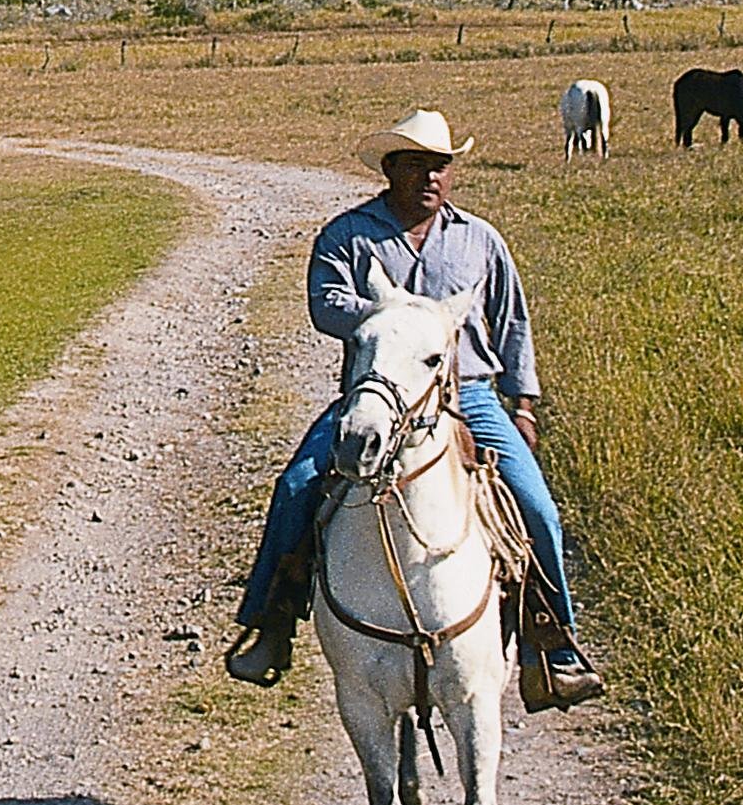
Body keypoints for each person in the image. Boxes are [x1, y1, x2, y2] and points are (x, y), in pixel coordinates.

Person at [221, 110, 602, 706]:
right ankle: (270, 623)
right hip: (376, 391)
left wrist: (522, 405)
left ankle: (552, 646)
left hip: (467, 393)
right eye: (418, 165)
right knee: (297, 486)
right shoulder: (347, 235)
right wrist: (399, 323)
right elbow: (326, 306)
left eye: (441, 166)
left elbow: (512, 324)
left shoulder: (480, 239)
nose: (431, 177)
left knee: (537, 508)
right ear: (391, 170)